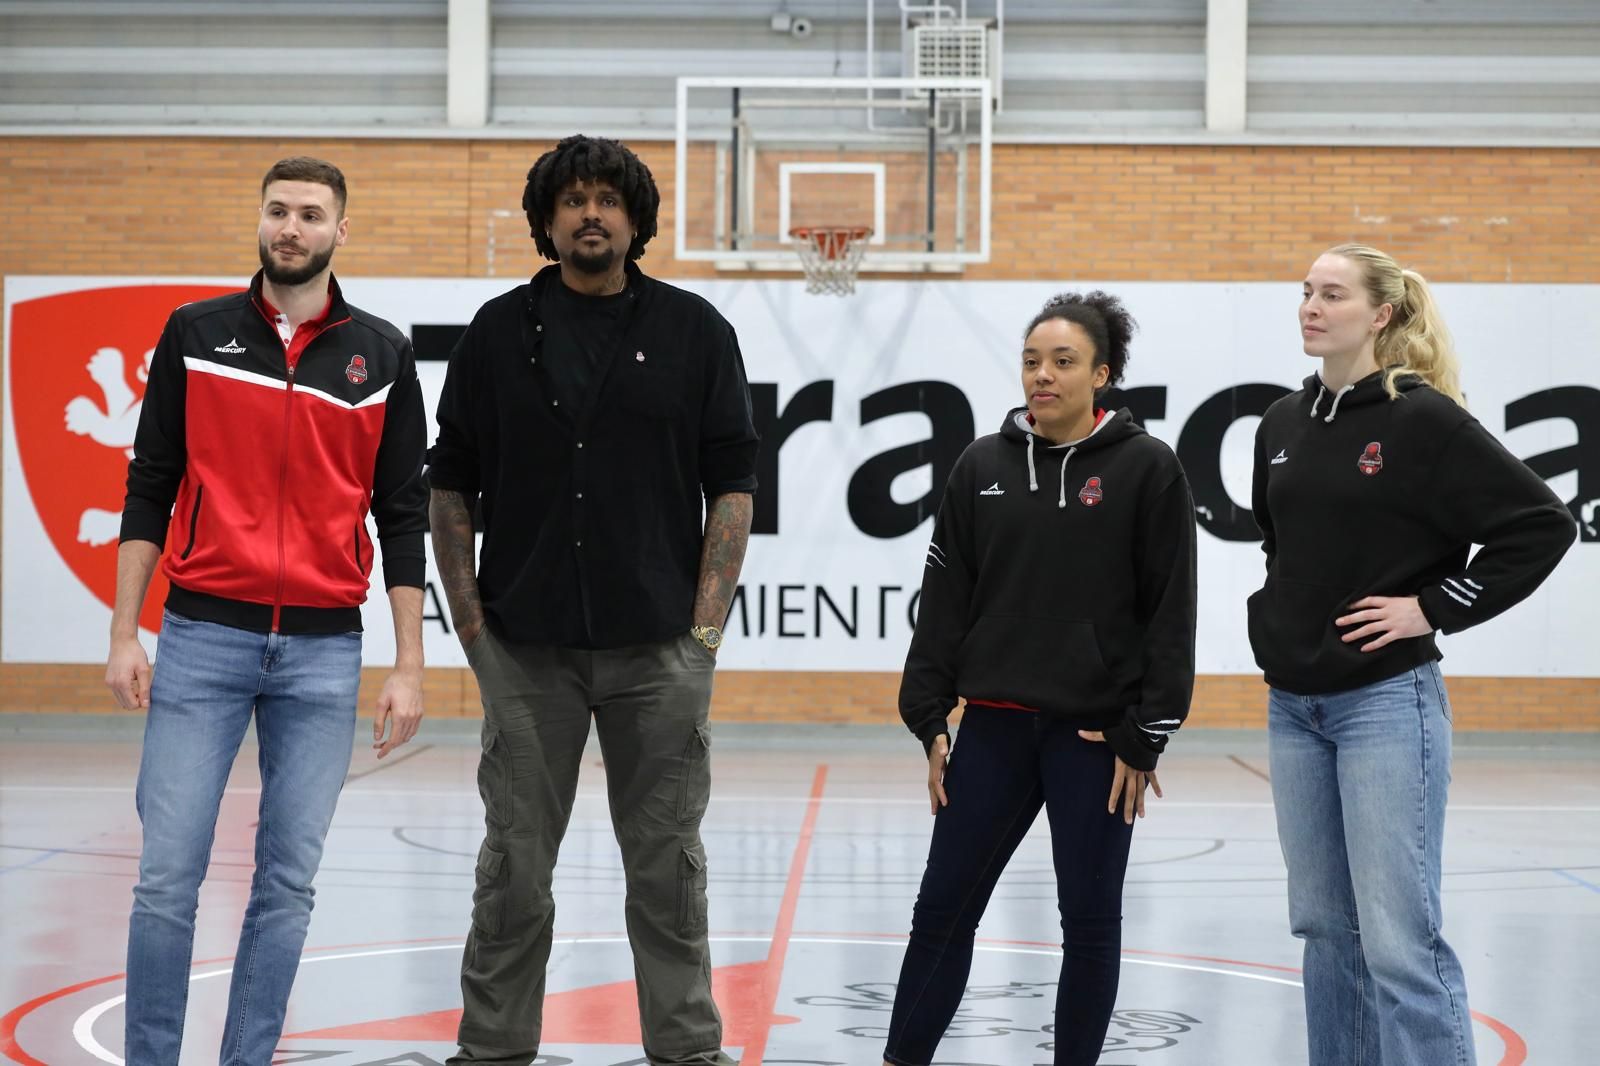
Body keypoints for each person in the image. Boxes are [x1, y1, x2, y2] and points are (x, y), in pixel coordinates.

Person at [428, 134, 758, 1066]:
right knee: (513, 872)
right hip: (525, 652)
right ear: (545, 221)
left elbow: (732, 486)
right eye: (571, 200)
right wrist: (472, 627)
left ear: (636, 219)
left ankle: (688, 1049)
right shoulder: (495, 333)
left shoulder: (697, 334)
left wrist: (702, 633)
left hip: (659, 654)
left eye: (609, 200)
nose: (590, 214)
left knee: (667, 872)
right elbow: (450, 482)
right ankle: (491, 1049)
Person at [105, 156, 429, 1065]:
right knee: (167, 881)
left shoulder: (383, 355)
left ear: (340, 230)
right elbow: (150, 484)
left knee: (286, 886)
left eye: (311, 214)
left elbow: (402, 515)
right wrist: (125, 630)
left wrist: (407, 663)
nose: (292, 227)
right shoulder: (195, 333)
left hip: (324, 656)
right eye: (279, 211)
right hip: (203, 637)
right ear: (259, 219)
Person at [1249, 243, 1577, 1066]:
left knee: (1399, 942)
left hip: (1386, 707)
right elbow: (1279, 547)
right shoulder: (1281, 424)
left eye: (1332, 295)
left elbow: (1541, 526)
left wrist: (1432, 608)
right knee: (1326, 928)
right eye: (1305, 293)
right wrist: (1278, 618)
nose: (1310, 307)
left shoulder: (1422, 419)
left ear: (1382, 314)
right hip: (1294, 707)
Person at [885, 292, 1198, 1066]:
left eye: (1063, 362)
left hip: (1095, 738)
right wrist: (929, 719)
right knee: (941, 911)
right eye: (1032, 360)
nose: (1043, 376)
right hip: (991, 728)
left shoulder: (1147, 469)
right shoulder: (980, 466)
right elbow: (945, 601)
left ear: (1103, 373)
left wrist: (1147, 734)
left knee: (1089, 922)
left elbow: (1171, 612)